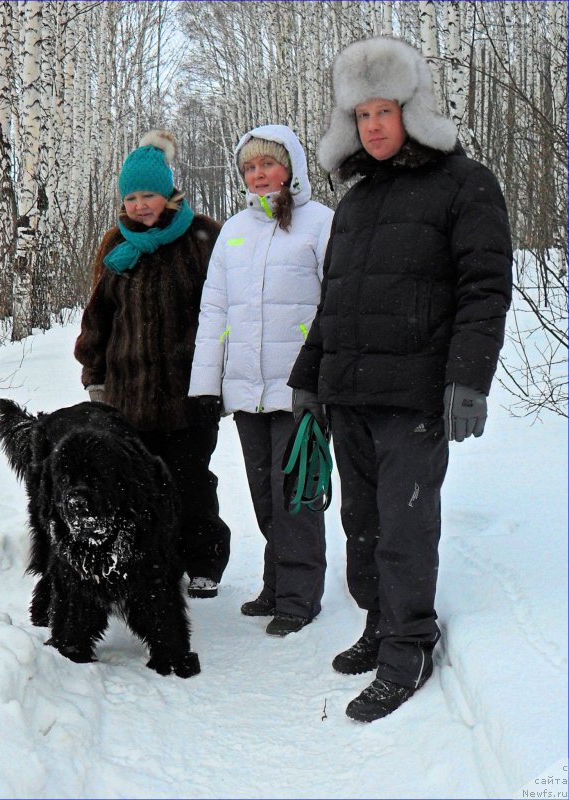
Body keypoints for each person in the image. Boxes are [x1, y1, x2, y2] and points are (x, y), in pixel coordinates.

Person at [288, 37, 513, 720]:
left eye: (384, 111)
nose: (373, 126)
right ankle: (379, 621)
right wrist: (307, 380)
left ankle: (410, 643)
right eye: (361, 116)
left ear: (411, 112)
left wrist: (467, 379)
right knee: (359, 523)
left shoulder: (464, 184)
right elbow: (335, 301)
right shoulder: (354, 201)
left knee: (403, 528)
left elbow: (484, 287)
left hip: (414, 394)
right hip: (348, 392)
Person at [189, 125, 334, 636]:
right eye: (249, 167)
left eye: (267, 164)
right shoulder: (234, 230)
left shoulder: (320, 224)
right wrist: (207, 386)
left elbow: (335, 306)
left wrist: (322, 381)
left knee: (296, 493)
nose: (258, 175)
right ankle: (276, 583)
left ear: (290, 166)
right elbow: (215, 309)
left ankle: (299, 596)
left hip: (300, 387)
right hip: (247, 388)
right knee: (264, 493)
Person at [74, 130, 231, 599]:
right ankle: (150, 562)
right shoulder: (114, 247)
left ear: (169, 193)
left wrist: (220, 379)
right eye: (132, 197)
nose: (141, 205)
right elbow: (98, 316)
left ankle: (203, 561)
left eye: (149, 194)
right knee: (136, 487)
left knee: (191, 481)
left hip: (190, 393)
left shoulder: (204, 238)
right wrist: (95, 376)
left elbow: (227, 312)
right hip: (128, 396)